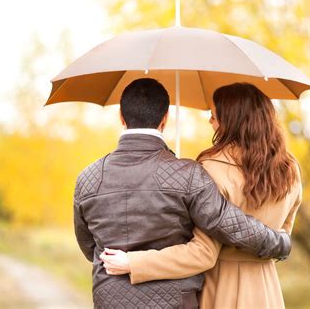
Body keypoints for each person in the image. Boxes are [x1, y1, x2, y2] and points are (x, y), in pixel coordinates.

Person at [73, 78, 292, 308]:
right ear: (165, 118)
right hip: (176, 301)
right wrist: (278, 243)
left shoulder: (87, 179)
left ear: (121, 117)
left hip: (110, 299)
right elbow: (228, 223)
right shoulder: (189, 174)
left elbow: (88, 246)